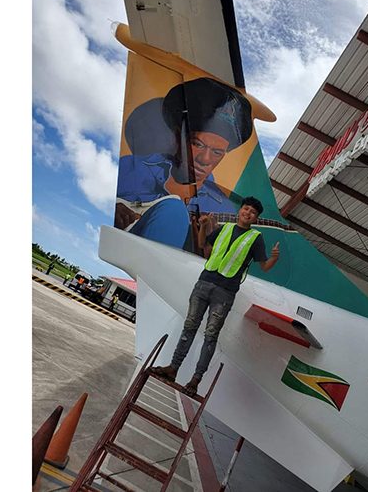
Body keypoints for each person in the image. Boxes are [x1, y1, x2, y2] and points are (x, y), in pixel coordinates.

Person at [151, 196, 280, 396]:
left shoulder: (255, 238)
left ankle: (195, 380)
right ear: (240, 211)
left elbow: (264, 267)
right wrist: (202, 226)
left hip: (225, 292)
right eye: (246, 209)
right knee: (190, 327)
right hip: (204, 283)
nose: (248, 213)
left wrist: (273, 258)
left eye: (253, 212)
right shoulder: (225, 228)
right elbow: (204, 245)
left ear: (255, 218)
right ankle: (173, 369)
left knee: (210, 336)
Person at [115, 77, 254, 250]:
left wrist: (206, 243)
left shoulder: (223, 208)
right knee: (173, 209)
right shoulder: (131, 167)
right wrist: (114, 207)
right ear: (177, 137)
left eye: (217, 152)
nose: (205, 159)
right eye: (197, 144)